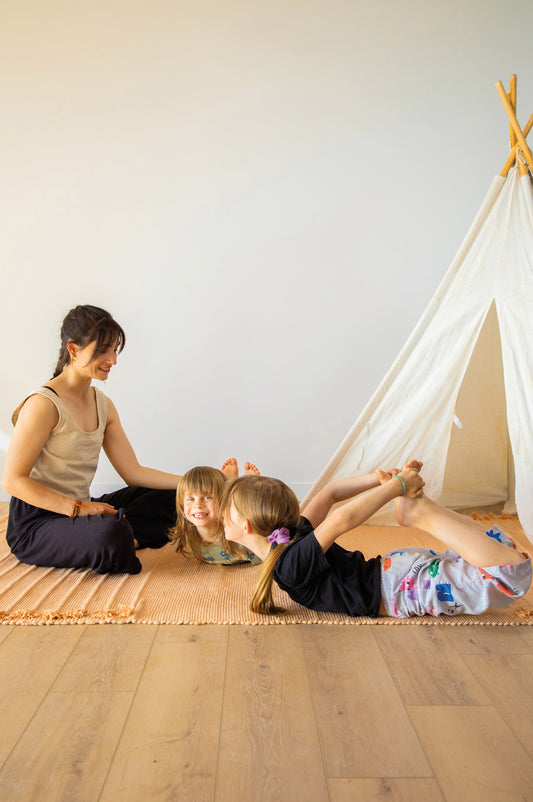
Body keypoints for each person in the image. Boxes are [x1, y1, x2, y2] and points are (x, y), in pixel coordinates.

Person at [219, 462, 532, 618]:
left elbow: (339, 517)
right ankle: (423, 509)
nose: (220, 515)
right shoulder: (291, 540)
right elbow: (330, 494)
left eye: (225, 512)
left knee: (510, 573)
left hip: (400, 590)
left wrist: (392, 485)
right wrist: (380, 480)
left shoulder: (288, 563)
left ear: (245, 526)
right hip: (398, 574)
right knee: (501, 548)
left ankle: (421, 514)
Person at [3, 305, 182, 575]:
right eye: (103, 350)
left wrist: (195, 482)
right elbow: (13, 481)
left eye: (114, 350)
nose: (112, 360)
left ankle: (120, 537)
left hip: (81, 510)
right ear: (73, 349)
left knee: (174, 496)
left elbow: (133, 472)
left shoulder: (104, 405)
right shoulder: (43, 405)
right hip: (36, 524)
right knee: (109, 531)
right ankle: (119, 537)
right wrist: (80, 509)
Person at [170, 460, 261, 565]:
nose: (198, 505)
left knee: (245, 510)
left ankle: (247, 486)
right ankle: (229, 482)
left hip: (241, 518)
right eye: (191, 499)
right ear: (182, 505)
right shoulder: (187, 532)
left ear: (223, 500)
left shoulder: (236, 532)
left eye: (207, 497)